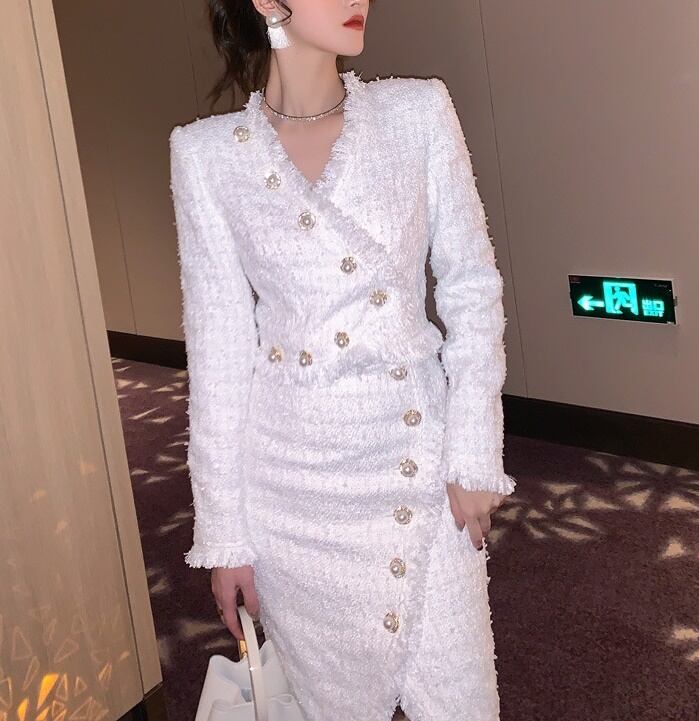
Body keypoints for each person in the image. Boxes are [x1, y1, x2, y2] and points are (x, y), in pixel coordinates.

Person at [169, 1, 517, 719]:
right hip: (292, 498)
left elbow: (471, 287)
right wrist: (226, 538)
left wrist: (474, 453)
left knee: (462, 701)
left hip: (418, 465)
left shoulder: (417, 112)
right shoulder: (207, 156)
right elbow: (219, 359)